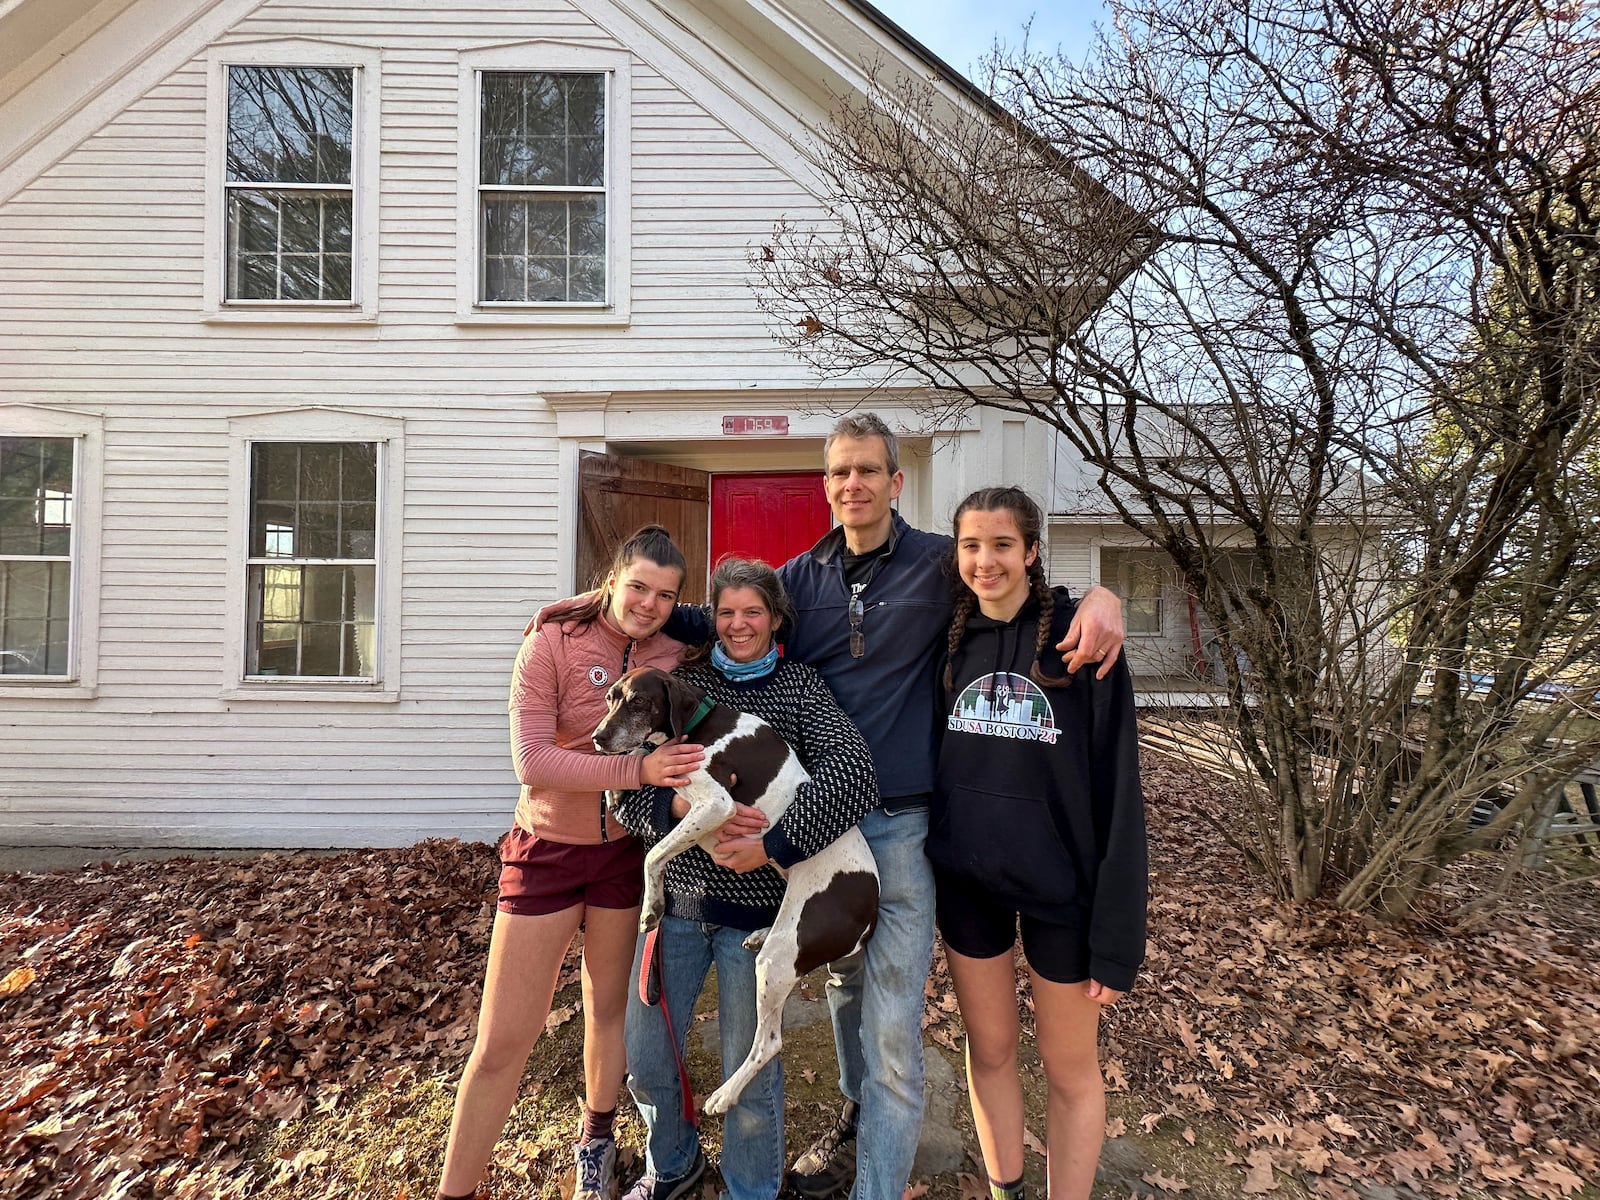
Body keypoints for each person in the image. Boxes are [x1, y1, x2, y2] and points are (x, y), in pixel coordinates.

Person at [539, 414, 1126, 1200]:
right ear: (826, 485)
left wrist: (1102, 595)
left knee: (890, 1035)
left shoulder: (937, 565)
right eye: (840, 472)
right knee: (846, 995)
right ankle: (850, 1123)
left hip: (902, 824)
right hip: (816, 824)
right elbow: (716, 616)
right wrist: (607, 603)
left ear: (895, 480)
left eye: (868, 470)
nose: (853, 484)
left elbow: (1010, 586)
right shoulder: (801, 579)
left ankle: (875, 1185)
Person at [435, 526, 707, 1200]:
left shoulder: (676, 653)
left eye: (665, 595)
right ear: (610, 580)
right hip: (546, 852)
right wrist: (638, 768)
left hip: (624, 855)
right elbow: (533, 763)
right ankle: (455, 1189)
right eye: (637, 586)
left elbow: (735, 623)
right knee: (504, 1037)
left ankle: (596, 1139)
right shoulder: (549, 642)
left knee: (607, 1011)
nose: (648, 603)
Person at [609, 558, 879, 1200]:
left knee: (750, 1076)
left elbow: (854, 777)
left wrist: (772, 845)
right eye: (726, 612)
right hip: (675, 909)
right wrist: (669, 806)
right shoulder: (679, 687)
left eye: (752, 613)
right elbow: (621, 794)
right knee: (646, 1061)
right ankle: (671, 1167)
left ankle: (751, 1189)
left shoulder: (801, 691)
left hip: (756, 914)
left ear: (776, 620)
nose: (738, 625)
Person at [930, 486, 1146, 1200]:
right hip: (968, 887)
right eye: (971, 546)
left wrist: (1119, 935)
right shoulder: (949, 641)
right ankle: (1005, 1189)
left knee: (1068, 1068)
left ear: (1030, 552)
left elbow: (1120, 795)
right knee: (989, 1052)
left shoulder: (1083, 646)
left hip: (1063, 893)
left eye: (1001, 545)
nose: (985, 561)